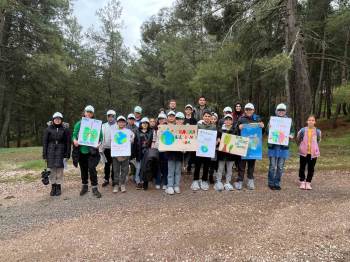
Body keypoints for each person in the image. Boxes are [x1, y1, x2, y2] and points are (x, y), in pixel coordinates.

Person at [72, 105, 102, 198]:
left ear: (92, 114)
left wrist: (99, 144)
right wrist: (74, 141)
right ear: (84, 113)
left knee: (92, 169)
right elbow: (74, 134)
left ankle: (94, 187)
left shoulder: (96, 124)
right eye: (87, 112)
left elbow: (100, 137)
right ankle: (84, 186)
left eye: (90, 112)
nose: (88, 114)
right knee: (83, 169)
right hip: (81, 151)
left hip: (92, 152)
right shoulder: (79, 123)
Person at [234, 103, 264, 190]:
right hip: (243, 144)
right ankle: (240, 180)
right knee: (241, 164)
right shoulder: (241, 119)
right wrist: (238, 128)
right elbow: (236, 131)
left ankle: (250, 180)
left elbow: (262, 132)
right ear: (245, 110)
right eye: (247, 109)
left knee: (251, 164)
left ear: (253, 110)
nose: (248, 111)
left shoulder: (257, 119)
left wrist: (263, 127)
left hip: (253, 145)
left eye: (250, 109)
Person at [267, 103, 295, 190]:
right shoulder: (272, 120)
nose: (281, 112)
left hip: (283, 147)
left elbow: (292, 131)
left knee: (280, 166)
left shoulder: (289, 121)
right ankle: (271, 183)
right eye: (279, 110)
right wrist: (269, 128)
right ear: (276, 111)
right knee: (272, 166)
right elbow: (268, 131)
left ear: (285, 111)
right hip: (273, 146)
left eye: (283, 110)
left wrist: (291, 135)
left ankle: (277, 182)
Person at [42, 112, 71, 196]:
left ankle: (58, 186)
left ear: (61, 120)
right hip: (50, 150)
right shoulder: (48, 129)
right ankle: (53, 186)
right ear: (53, 119)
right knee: (52, 170)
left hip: (61, 150)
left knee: (60, 170)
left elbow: (68, 142)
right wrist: (44, 154)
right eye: (56, 119)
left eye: (59, 119)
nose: (57, 120)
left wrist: (67, 154)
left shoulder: (65, 129)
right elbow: (45, 142)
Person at [191, 110, 217, 191]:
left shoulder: (213, 127)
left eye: (209, 116)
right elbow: (194, 134)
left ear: (211, 118)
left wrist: (216, 140)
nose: (207, 118)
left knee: (206, 165)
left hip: (208, 150)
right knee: (197, 165)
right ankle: (195, 180)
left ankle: (204, 180)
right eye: (205, 116)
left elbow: (216, 137)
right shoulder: (198, 125)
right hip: (199, 149)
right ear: (203, 117)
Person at [297, 115, 321, 190]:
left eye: (312, 120)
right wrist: (301, 146)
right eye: (309, 120)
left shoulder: (318, 131)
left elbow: (318, 140)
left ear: (315, 122)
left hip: (313, 154)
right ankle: (302, 181)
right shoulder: (302, 130)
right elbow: (298, 138)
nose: (311, 121)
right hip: (304, 153)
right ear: (307, 121)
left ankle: (308, 182)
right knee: (302, 167)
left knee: (311, 168)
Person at [112, 116, 135, 193]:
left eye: (123, 122)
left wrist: (131, 139)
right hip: (116, 154)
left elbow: (133, 137)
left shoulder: (128, 131)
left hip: (125, 154)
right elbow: (112, 141)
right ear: (117, 122)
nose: (121, 123)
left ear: (125, 123)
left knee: (124, 170)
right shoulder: (114, 131)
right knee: (116, 170)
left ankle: (122, 184)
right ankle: (116, 184)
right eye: (120, 121)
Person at [215, 114, 237, 191]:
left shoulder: (235, 130)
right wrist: (218, 139)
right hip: (222, 153)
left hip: (231, 154)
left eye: (230, 119)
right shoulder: (220, 130)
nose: (228, 121)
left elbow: (237, 141)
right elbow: (217, 139)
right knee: (220, 168)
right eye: (226, 119)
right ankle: (218, 182)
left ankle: (228, 182)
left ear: (232, 121)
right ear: (224, 121)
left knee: (229, 169)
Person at [165, 112, 185, 195]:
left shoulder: (185, 130)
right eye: (178, 119)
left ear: (183, 120)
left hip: (180, 154)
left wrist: (185, 149)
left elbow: (188, 142)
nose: (179, 120)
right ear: (175, 120)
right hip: (171, 153)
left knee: (177, 171)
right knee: (170, 171)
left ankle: (176, 185)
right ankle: (170, 186)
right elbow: (165, 139)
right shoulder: (169, 128)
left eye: (181, 119)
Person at [134, 117, 153, 189]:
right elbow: (135, 144)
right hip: (139, 153)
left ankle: (143, 181)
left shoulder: (151, 132)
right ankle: (137, 181)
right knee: (138, 167)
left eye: (146, 123)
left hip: (147, 153)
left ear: (148, 124)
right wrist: (134, 154)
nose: (144, 124)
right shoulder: (137, 132)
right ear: (141, 124)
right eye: (143, 123)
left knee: (145, 168)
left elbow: (152, 143)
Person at [101, 109, 116, 187]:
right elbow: (100, 137)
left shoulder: (117, 125)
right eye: (109, 116)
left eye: (112, 116)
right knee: (107, 164)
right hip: (106, 148)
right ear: (107, 117)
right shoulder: (103, 125)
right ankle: (106, 179)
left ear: (114, 117)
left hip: (114, 149)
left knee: (114, 165)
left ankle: (114, 179)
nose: (110, 118)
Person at [153, 112, 168, 190]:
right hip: (157, 149)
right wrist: (153, 148)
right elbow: (154, 140)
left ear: (165, 119)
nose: (161, 120)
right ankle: (158, 181)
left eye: (162, 119)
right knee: (158, 166)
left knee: (165, 166)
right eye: (160, 119)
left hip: (166, 150)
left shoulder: (169, 128)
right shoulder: (155, 129)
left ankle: (165, 182)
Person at [184, 104, 197, 174]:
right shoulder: (182, 119)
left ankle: (189, 168)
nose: (188, 110)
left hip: (191, 139)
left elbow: (195, 129)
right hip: (183, 139)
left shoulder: (194, 120)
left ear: (191, 111)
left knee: (191, 154)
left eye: (189, 109)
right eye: (187, 109)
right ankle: (183, 167)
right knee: (184, 153)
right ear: (185, 110)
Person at [208, 112, 219, 184]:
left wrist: (218, 139)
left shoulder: (218, 128)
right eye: (212, 119)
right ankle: (209, 176)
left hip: (216, 149)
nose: (213, 120)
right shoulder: (207, 127)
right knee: (209, 163)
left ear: (216, 120)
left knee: (214, 163)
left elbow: (220, 136)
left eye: (214, 119)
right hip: (208, 148)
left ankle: (214, 176)